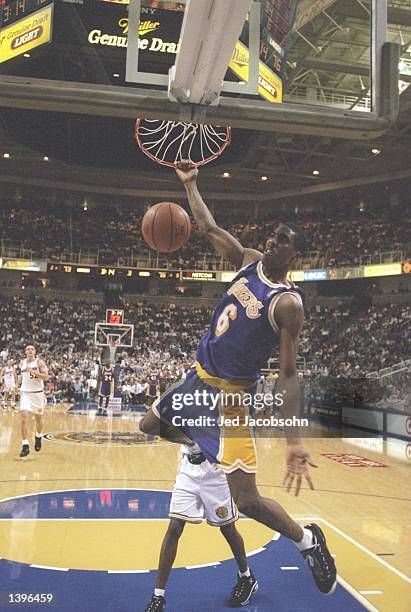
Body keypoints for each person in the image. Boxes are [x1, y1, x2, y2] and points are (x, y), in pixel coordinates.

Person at [140, 161, 336, 597]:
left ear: (295, 255)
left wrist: (294, 441)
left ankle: (308, 542)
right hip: (197, 379)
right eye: (274, 234)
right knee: (149, 425)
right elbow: (208, 228)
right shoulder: (249, 262)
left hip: (227, 401)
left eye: (283, 240)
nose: (273, 240)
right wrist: (191, 185)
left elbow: (288, 374)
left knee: (246, 502)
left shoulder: (287, 304)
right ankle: (196, 441)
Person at [145, 444, 258, 611]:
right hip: (188, 469)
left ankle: (246, 577)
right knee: (174, 526)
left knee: (228, 528)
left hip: (216, 471)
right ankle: (158, 597)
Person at [18, 345, 49, 457]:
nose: (30, 351)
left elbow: (46, 377)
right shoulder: (22, 362)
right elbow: (22, 376)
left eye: (32, 349)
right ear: (25, 352)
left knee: (38, 419)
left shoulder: (39, 362)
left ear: (35, 352)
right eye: (28, 349)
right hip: (25, 393)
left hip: (37, 394)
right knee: (23, 417)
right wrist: (17, 384)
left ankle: (38, 436)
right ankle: (25, 445)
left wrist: (33, 371)